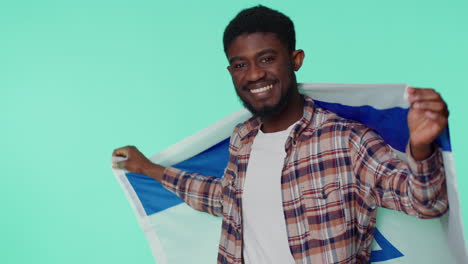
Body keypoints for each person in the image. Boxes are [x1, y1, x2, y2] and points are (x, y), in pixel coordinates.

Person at [112, 5, 449, 264]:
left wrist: (419, 147)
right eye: (241, 64)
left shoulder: (346, 140)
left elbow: (426, 204)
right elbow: (226, 200)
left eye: (267, 58)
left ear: (295, 59)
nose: (255, 74)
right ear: (231, 71)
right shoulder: (241, 140)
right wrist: (149, 169)